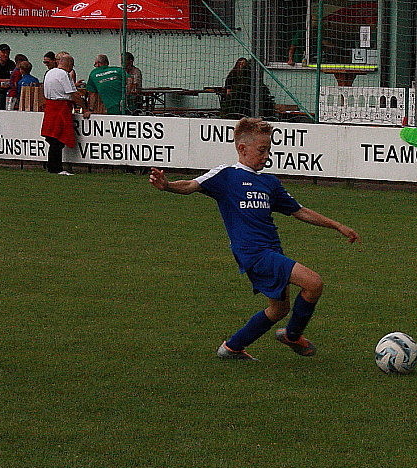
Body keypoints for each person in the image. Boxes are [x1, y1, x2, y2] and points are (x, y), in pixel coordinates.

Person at [148, 117, 360, 360]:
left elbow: (299, 211)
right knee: (313, 283)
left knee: (279, 309)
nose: (266, 156)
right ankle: (292, 336)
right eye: (261, 150)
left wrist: (337, 225)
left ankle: (232, 348)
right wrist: (168, 185)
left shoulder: (269, 182)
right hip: (253, 253)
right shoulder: (226, 175)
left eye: (268, 150)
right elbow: (190, 185)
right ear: (242, 148)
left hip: (272, 250)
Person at [41, 52, 91, 175]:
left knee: (52, 139)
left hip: (50, 108)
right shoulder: (64, 74)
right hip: (60, 109)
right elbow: (73, 93)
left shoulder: (49, 73)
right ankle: (56, 168)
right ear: (69, 65)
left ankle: (52, 167)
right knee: (58, 139)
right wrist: (84, 108)